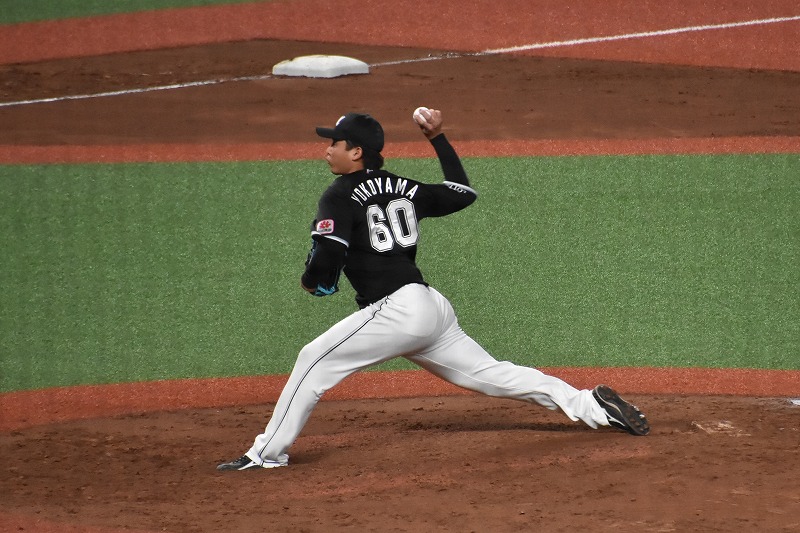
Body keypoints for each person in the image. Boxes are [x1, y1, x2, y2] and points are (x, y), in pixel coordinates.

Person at [217, 109, 649, 471]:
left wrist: (312, 282)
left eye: (335, 143)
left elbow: (328, 255)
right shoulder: (405, 186)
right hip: (430, 309)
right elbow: (464, 192)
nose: (327, 149)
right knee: (492, 374)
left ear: (356, 152)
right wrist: (437, 138)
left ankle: (266, 454)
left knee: (313, 359)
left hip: (397, 312)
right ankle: (591, 406)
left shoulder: (339, 194)